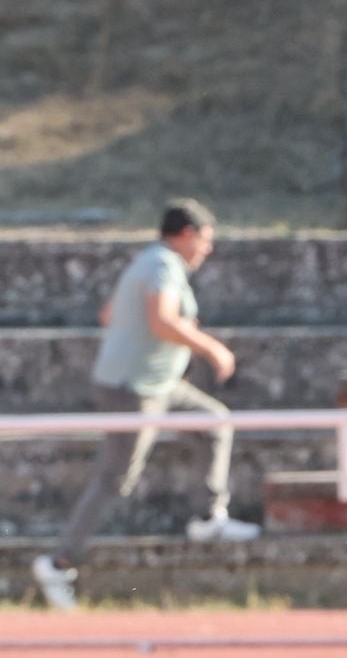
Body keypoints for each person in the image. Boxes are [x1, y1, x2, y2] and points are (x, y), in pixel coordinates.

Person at [32, 200, 260, 610]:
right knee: (116, 479)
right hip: (133, 389)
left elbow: (109, 315)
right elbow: (161, 321)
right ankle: (57, 562)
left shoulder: (149, 263)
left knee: (214, 421)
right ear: (187, 235)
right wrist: (212, 350)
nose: (207, 251)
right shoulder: (162, 265)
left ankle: (210, 517)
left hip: (160, 383)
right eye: (206, 242)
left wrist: (162, 353)